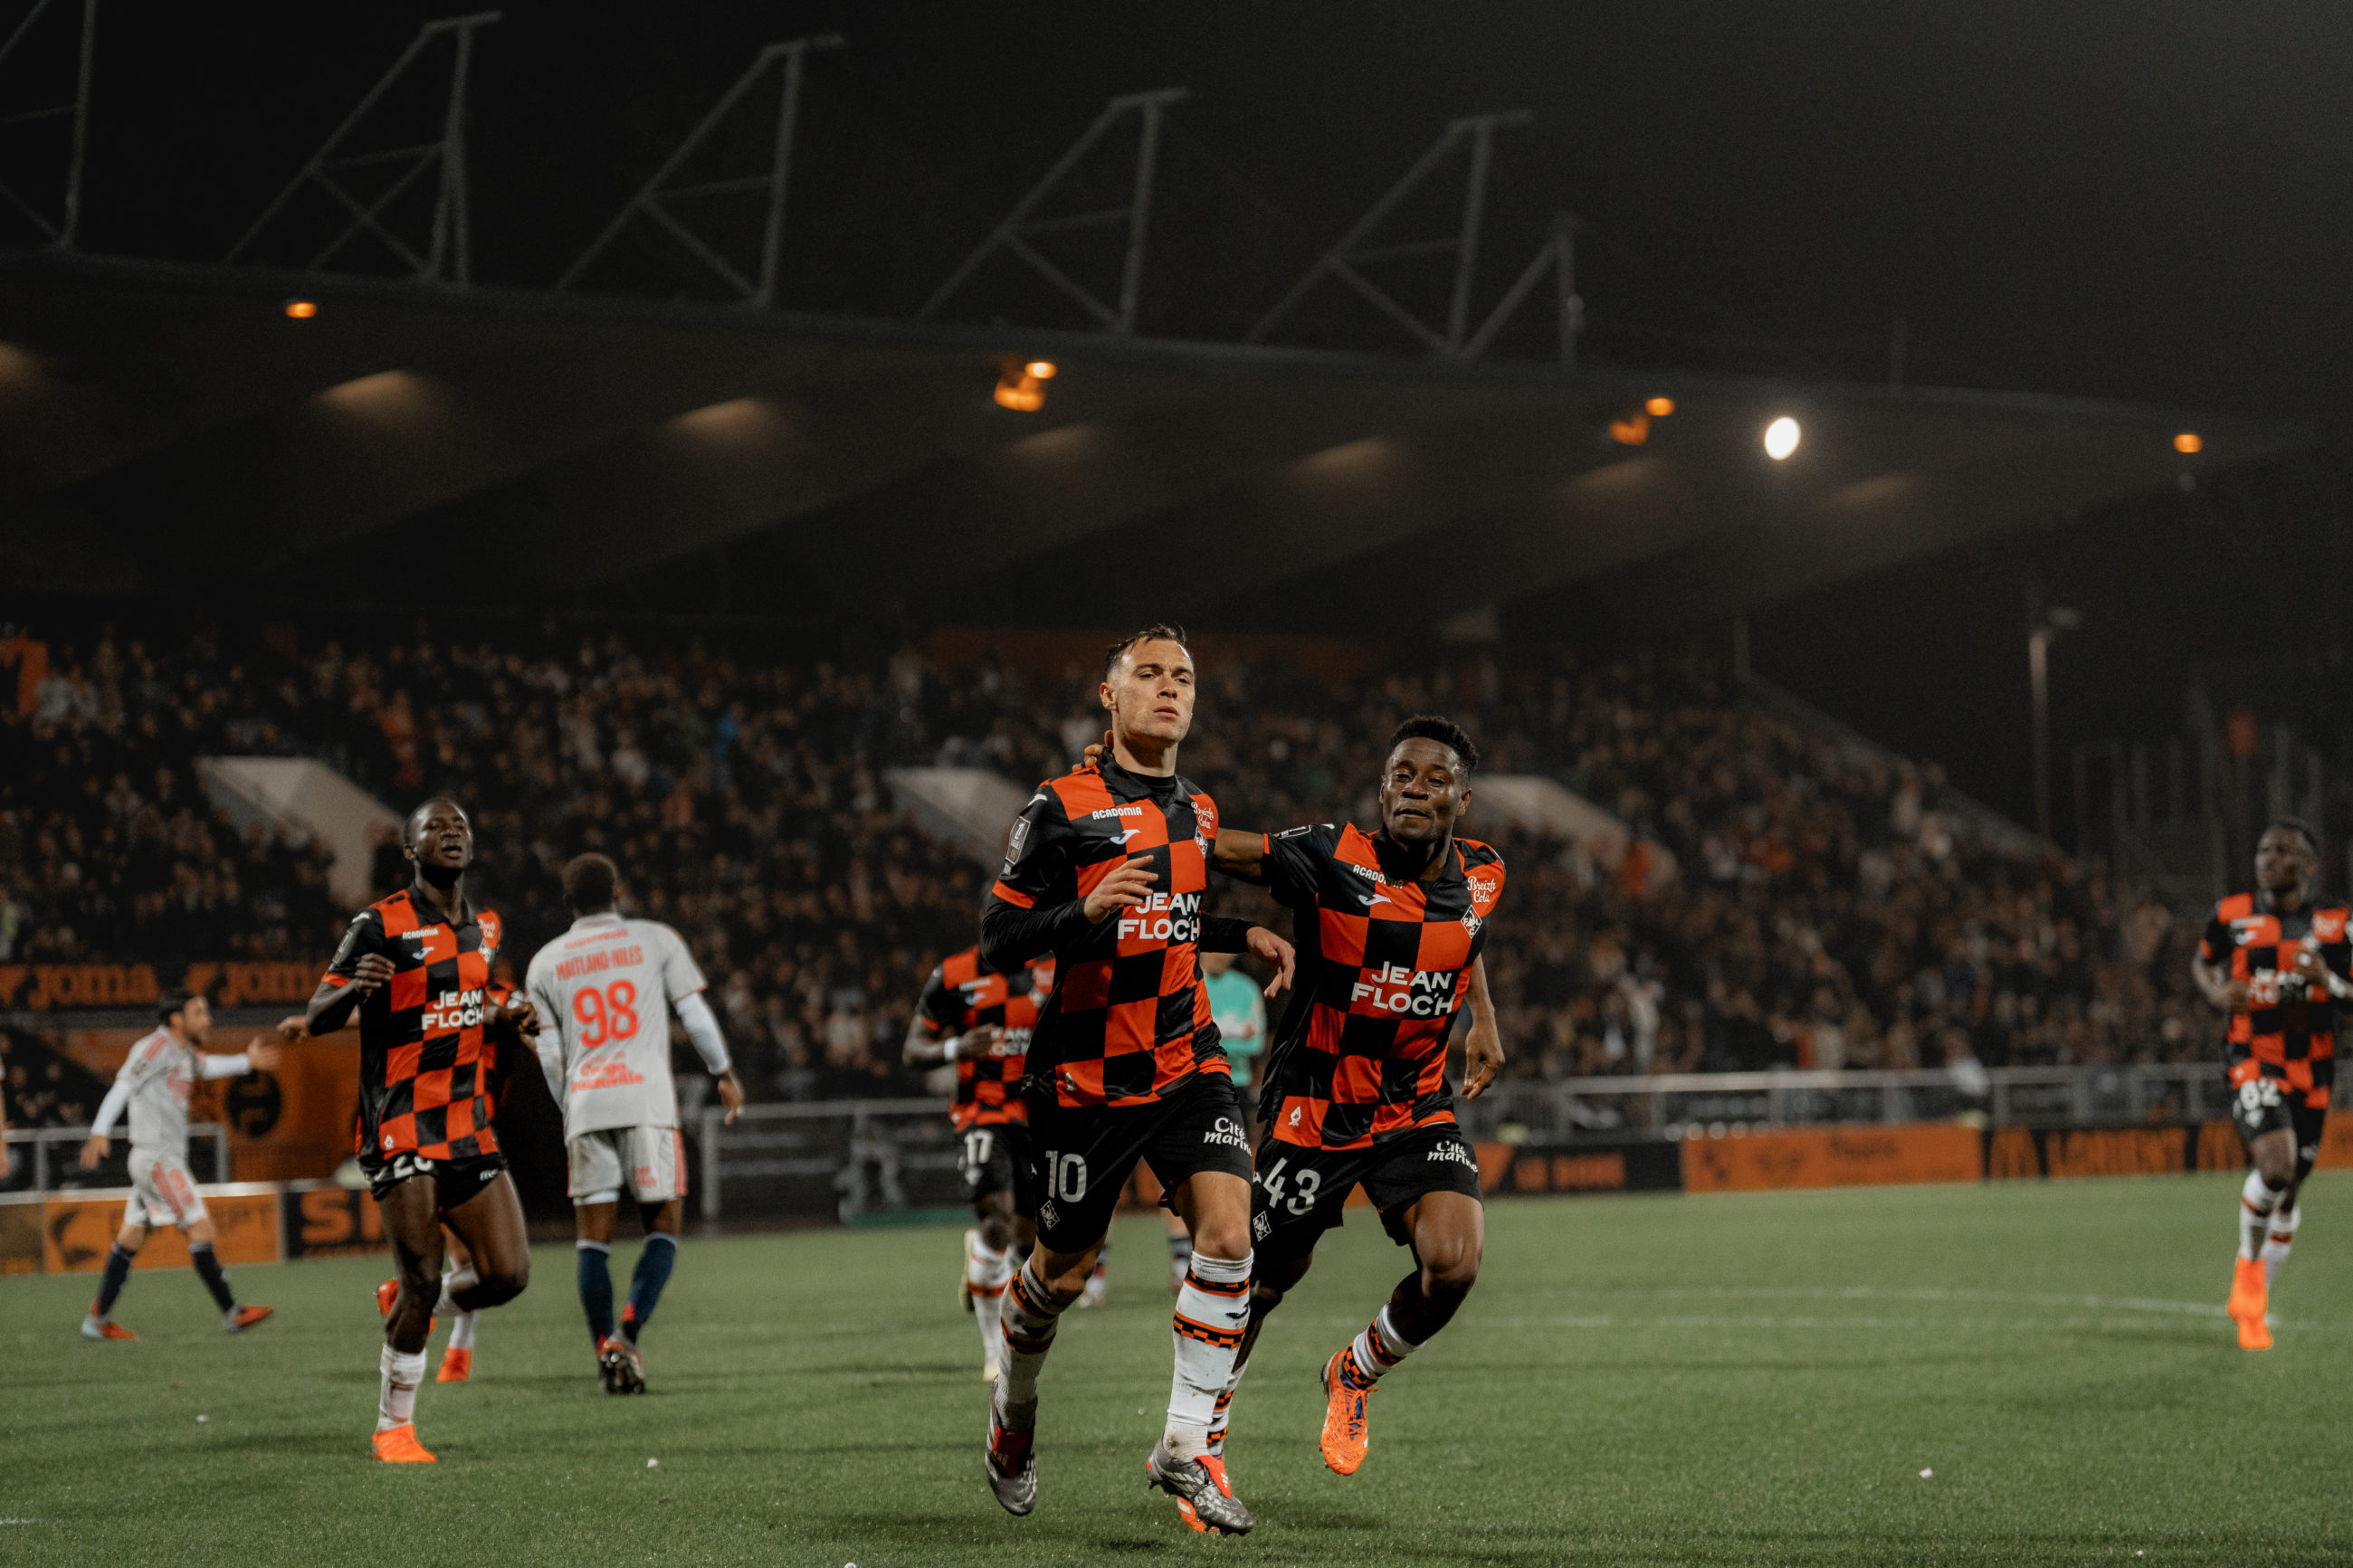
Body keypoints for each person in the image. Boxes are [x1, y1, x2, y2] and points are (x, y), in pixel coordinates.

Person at [976, 623, 1293, 1536]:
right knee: (1059, 1276)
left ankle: (1184, 1446)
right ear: (1108, 696)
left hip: (1186, 1060)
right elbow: (999, 938)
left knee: (1232, 1232)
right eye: (1147, 674)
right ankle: (1013, 1410)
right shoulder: (1057, 808)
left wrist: (1242, 934)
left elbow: (1177, 919)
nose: (1168, 687)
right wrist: (1080, 909)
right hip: (1083, 1080)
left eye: (1182, 676)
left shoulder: (1196, 807)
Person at [1206, 716, 1505, 1477]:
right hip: (1317, 1106)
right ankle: (1199, 1434)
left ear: (1462, 801)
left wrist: (1484, 1016)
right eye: (1401, 775)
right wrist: (1156, 819)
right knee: (1263, 1282)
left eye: (1435, 779)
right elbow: (1229, 848)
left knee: (1456, 1261)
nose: (1415, 788)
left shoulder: (1485, 874)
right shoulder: (1330, 856)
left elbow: (1462, 937)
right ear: (1381, 789)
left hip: (1413, 1107)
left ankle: (1355, 1371)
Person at [302, 798, 538, 1463]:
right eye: (435, 827)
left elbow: (472, 996)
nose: (452, 833)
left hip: (467, 1121)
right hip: (401, 1122)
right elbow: (317, 1013)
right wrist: (355, 989)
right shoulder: (378, 923)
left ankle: (411, 1298)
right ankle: (393, 1427)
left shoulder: (485, 926)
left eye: (460, 824)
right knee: (424, 1276)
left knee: (510, 1273)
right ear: (410, 849)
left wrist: (506, 1011)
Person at [526, 852, 743, 1394]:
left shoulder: (546, 962)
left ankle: (604, 1349)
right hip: (646, 1103)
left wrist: (570, 1106)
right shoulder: (654, 939)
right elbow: (693, 1014)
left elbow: (550, 1053)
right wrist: (724, 1072)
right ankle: (627, 1332)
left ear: (568, 901)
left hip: (587, 1105)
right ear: (618, 892)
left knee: (591, 1242)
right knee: (664, 1223)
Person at [2192, 817, 2351, 1351]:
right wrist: (2216, 994)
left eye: (2282, 851)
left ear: (2307, 865)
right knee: (2276, 1167)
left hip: (2314, 1069)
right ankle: (2249, 1273)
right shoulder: (2230, 914)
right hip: (2252, 1058)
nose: (2268, 858)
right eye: (2263, 849)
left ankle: (2254, 1292)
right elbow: (2203, 961)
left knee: (2289, 1192)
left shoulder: (2337, 923)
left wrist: (2326, 982)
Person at [75, 992, 280, 1340]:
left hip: (156, 1161)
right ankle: (232, 1312)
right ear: (176, 1019)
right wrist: (99, 1131)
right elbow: (124, 1085)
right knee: (201, 1229)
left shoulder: (183, 1051)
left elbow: (207, 1066)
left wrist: (246, 1061)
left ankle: (98, 1320)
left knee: (131, 1235)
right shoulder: (153, 1047)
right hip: (157, 1161)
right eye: (199, 1012)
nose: (207, 1020)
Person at [904, 946, 1053, 1381]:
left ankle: (983, 1260)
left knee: (1027, 1241)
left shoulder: (1052, 967)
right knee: (997, 1223)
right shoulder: (954, 975)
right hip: (981, 1114)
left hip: (1039, 1116)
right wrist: (955, 1046)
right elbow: (913, 1049)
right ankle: (994, 1352)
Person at [1169, 953, 1269, 1294]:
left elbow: (1256, 1041)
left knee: (1238, 1168)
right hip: (1190, 1084)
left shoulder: (1247, 988)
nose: (1226, 953)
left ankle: (1237, 1249)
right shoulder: (1184, 979)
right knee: (1181, 1172)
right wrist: (1232, 1032)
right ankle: (1182, 1258)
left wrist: (1213, 1032)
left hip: (1236, 1084)